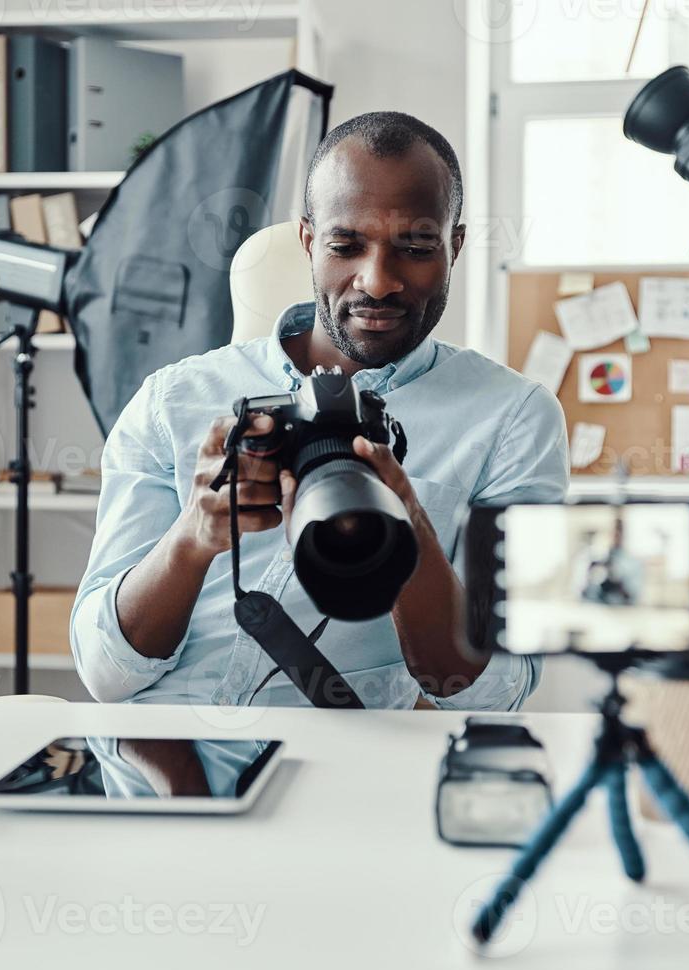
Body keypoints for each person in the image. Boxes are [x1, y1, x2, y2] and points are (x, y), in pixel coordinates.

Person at [70, 111, 568, 710]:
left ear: (454, 246)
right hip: (165, 758)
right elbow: (105, 675)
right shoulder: (173, 402)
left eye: (414, 246)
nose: (378, 280)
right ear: (308, 241)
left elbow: (497, 693)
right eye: (344, 245)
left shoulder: (512, 419)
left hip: (346, 768)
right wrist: (193, 538)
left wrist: (404, 519)